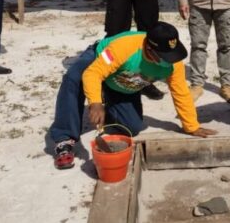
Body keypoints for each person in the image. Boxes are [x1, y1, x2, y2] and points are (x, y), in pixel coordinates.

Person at [49, 22, 218, 169]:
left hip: (123, 82)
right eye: (164, 57)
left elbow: (181, 93)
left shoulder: (173, 63)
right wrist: (95, 103)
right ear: (149, 48)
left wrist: (191, 126)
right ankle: (65, 138)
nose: (169, 61)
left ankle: (108, 102)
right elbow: (92, 74)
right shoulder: (124, 47)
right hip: (99, 60)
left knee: (133, 127)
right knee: (74, 78)